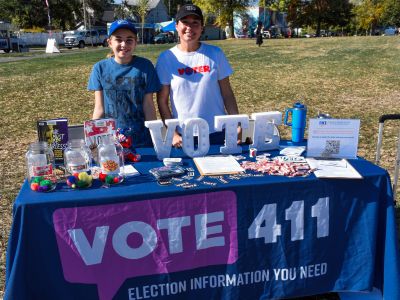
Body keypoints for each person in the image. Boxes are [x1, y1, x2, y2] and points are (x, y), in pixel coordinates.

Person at [156, 4, 241, 147]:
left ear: (202, 28)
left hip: (218, 132)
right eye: (185, 22)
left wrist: (236, 124)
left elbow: (227, 93)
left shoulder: (215, 54)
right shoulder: (166, 58)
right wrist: (173, 133)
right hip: (184, 135)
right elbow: (162, 101)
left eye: (195, 23)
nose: (190, 27)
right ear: (176, 26)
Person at [88, 19, 160, 147]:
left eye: (129, 40)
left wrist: (156, 138)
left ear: (135, 43)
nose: (124, 44)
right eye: (118, 39)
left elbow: (148, 105)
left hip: (142, 140)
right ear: (110, 42)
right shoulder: (99, 68)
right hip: (111, 142)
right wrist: (92, 139)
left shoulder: (146, 66)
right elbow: (99, 108)